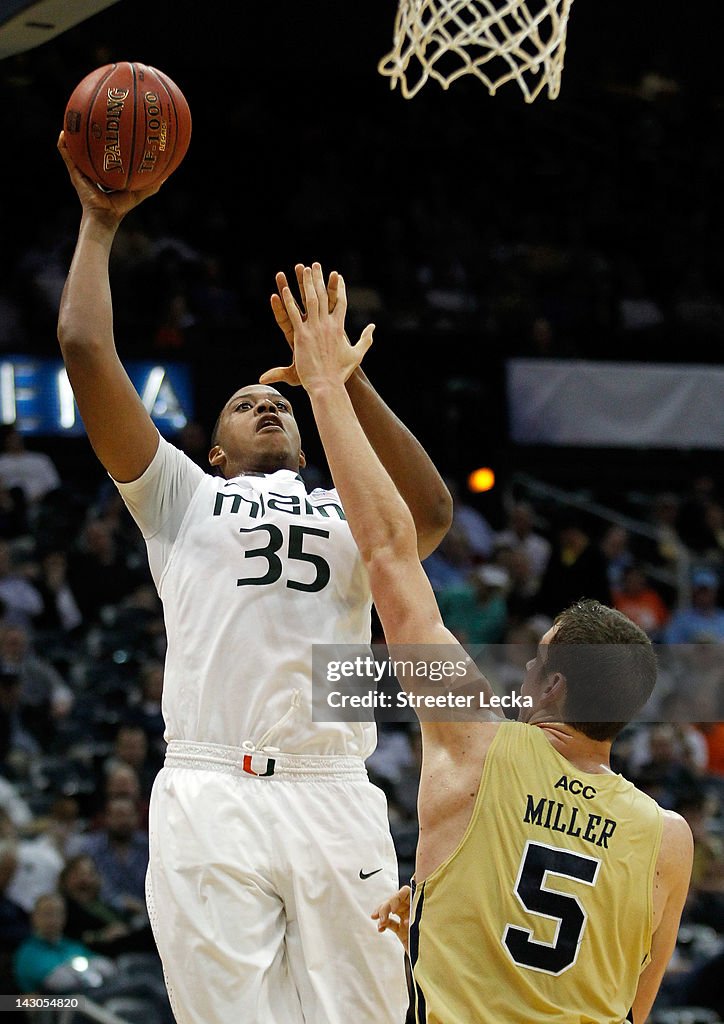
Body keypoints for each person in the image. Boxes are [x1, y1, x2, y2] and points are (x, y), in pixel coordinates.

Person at [55, 134, 452, 1024]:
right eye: (244, 402)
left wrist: (339, 384)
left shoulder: (350, 510)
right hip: (210, 786)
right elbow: (84, 345)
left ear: (308, 437)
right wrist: (97, 222)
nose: (265, 401)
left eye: (277, 399)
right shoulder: (179, 497)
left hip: (331, 788)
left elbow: (426, 517)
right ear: (214, 448)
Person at [283, 263, 694, 1024]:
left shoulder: (475, 741)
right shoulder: (667, 838)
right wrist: (460, 896)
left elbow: (387, 555)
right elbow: (635, 1011)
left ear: (553, 689)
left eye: (537, 660)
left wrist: (327, 388)